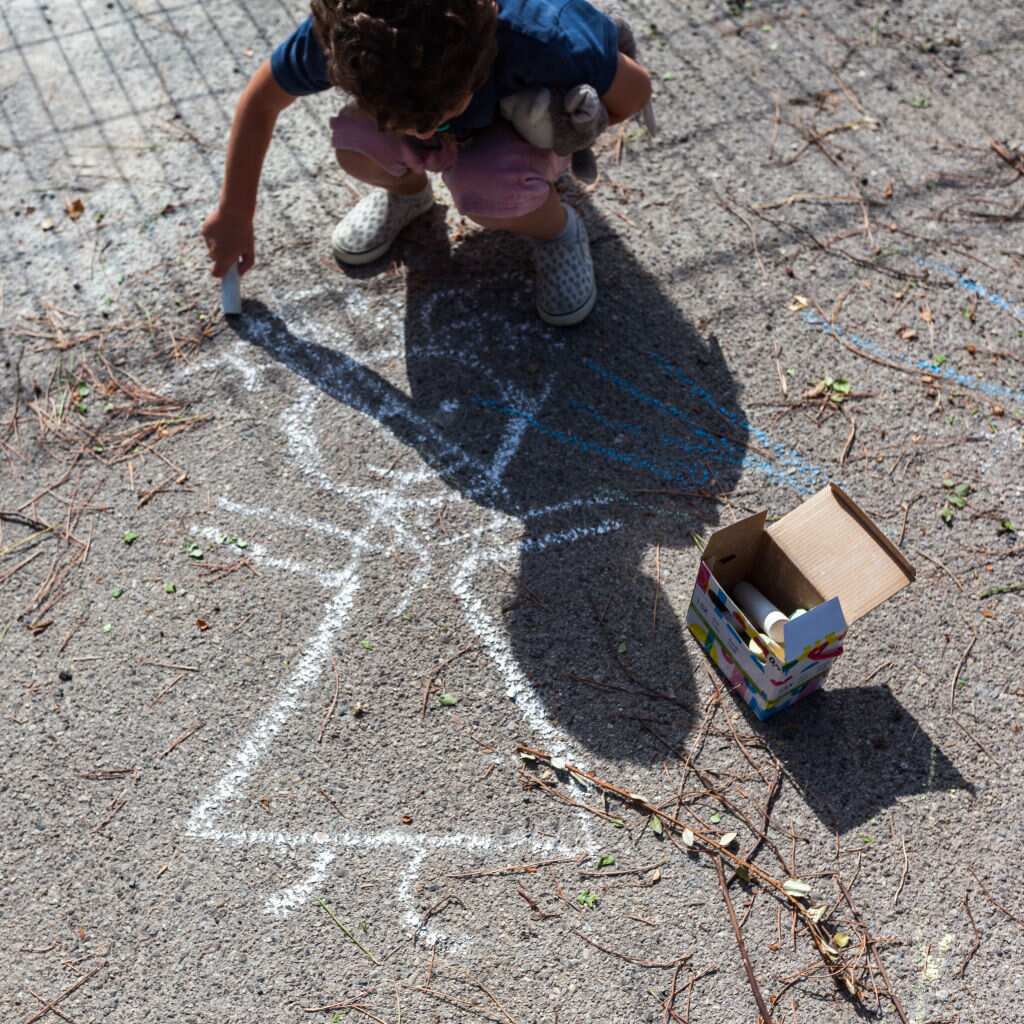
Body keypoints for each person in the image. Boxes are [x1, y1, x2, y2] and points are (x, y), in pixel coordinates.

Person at [201, 0, 652, 326]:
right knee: (358, 142)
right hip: (457, 100)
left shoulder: (545, 33)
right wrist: (236, 211)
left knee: (487, 192)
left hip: (518, 126)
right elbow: (261, 102)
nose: (421, 132)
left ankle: (556, 231)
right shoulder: (355, 30)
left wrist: (573, 127)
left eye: (441, 113)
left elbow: (635, 91)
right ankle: (409, 196)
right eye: (405, 121)